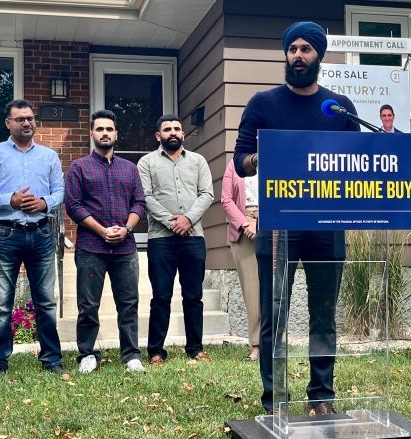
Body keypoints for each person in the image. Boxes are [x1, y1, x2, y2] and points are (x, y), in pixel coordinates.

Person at [233, 21, 360, 416]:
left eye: (306, 49)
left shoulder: (338, 108)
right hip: (279, 224)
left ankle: (321, 395)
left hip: (327, 225)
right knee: (275, 314)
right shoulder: (262, 104)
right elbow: (240, 161)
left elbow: (358, 161)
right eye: (293, 49)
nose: (298, 55)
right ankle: (275, 399)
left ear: (319, 55)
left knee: (324, 314)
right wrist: (261, 157)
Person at [0, 99, 67, 378]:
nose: (27, 123)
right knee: (2, 303)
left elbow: (59, 191)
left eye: (30, 118)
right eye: (20, 119)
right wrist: (10, 201)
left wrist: (44, 203)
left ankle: (51, 358)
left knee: (46, 301)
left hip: (41, 234)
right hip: (7, 234)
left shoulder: (49, 156)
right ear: (9, 123)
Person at [65, 110, 147, 374]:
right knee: (88, 304)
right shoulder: (79, 167)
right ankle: (87, 354)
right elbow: (73, 205)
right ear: (92, 134)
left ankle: (131, 355)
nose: (104, 133)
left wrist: (126, 229)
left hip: (125, 247)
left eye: (109, 129)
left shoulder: (130, 169)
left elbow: (139, 203)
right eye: (99, 129)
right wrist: (102, 230)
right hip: (91, 247)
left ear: (116, 134)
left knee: (129, 302)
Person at [137, 114, 214, 365]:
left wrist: (188, 220)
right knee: (161, 296)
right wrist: (173, 221)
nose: (173, 132)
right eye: (167, 129)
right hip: (161, 239)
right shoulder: (146, 163)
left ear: (183, 134)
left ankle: (195, 348)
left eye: (177, 129)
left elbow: (207, 194)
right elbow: (145, 197)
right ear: (158, 136)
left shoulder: (198, 161)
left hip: (193, 238)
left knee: (193, 295)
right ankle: (156, 351)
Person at [221, 159, 260, 361]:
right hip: (243, 228)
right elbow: (226, 200)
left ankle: (276, 343)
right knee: (252, 290)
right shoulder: (234, 163)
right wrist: (246, 224)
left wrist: (261, 222)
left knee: (277, 288)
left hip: (274, 223)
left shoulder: (278, 154)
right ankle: (256, 345)